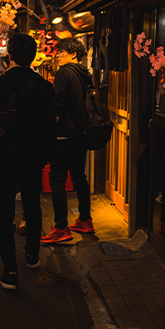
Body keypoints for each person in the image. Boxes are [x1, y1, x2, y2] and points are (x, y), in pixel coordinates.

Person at [0, 33, 54, 290]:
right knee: (32, 205)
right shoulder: (44, 87)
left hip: (3, 156)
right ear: (33, 56)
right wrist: (46, 155)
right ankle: (32, 254)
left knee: (4, 210)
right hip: (32, 157)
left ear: (9, 55)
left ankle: (9, 270)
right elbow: (49, 126)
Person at [42, 37, 94, 244]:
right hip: (81, 133)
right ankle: (85, 219)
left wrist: (50, 122)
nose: (58, 55)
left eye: (62, 51)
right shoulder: (85, 74)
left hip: (64, 134)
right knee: (79, 176)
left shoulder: (64, 72)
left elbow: (59, 101)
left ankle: (61, 227)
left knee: (57, 179)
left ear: (73, 54)